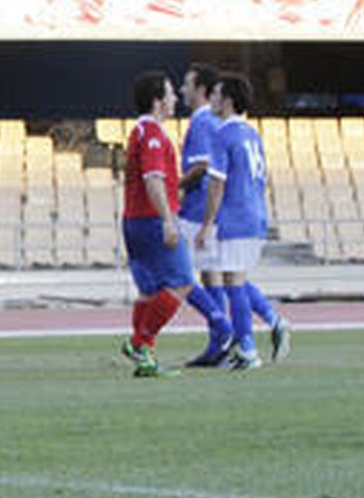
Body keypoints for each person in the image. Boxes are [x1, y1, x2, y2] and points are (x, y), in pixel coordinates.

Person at [198, 73, 289, 370]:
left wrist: (207, 223)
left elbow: (217, 184)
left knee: (232, 282)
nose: (212, 99)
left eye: (217, 94)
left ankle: (248, 348)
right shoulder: (251, 133)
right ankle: (268, 324)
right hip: (254, 213)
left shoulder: (223, 134)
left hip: (235, 215)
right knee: (232, 277)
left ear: (228, 101)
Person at [118, 71, 193, 378]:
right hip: (150, 219)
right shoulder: (151, 133)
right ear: (158, 100)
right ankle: (142, 342)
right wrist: (167, 219)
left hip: (135, 218)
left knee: (150, 291)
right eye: (170, 93)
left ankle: (144, 356)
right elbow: (153, 178)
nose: (175, 98)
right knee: (182, 282)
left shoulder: (141, 131)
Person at [175, 64, 237, 367]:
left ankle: (223, 332)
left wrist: (175, 186)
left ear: (200, 89)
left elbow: (200, 167)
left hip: (197, 211)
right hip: (206, 210)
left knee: (177, 273)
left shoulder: (201, 122)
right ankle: (221, 342)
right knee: (210, 273)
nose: (182, 90)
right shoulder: (213, 122)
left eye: (187, 85)